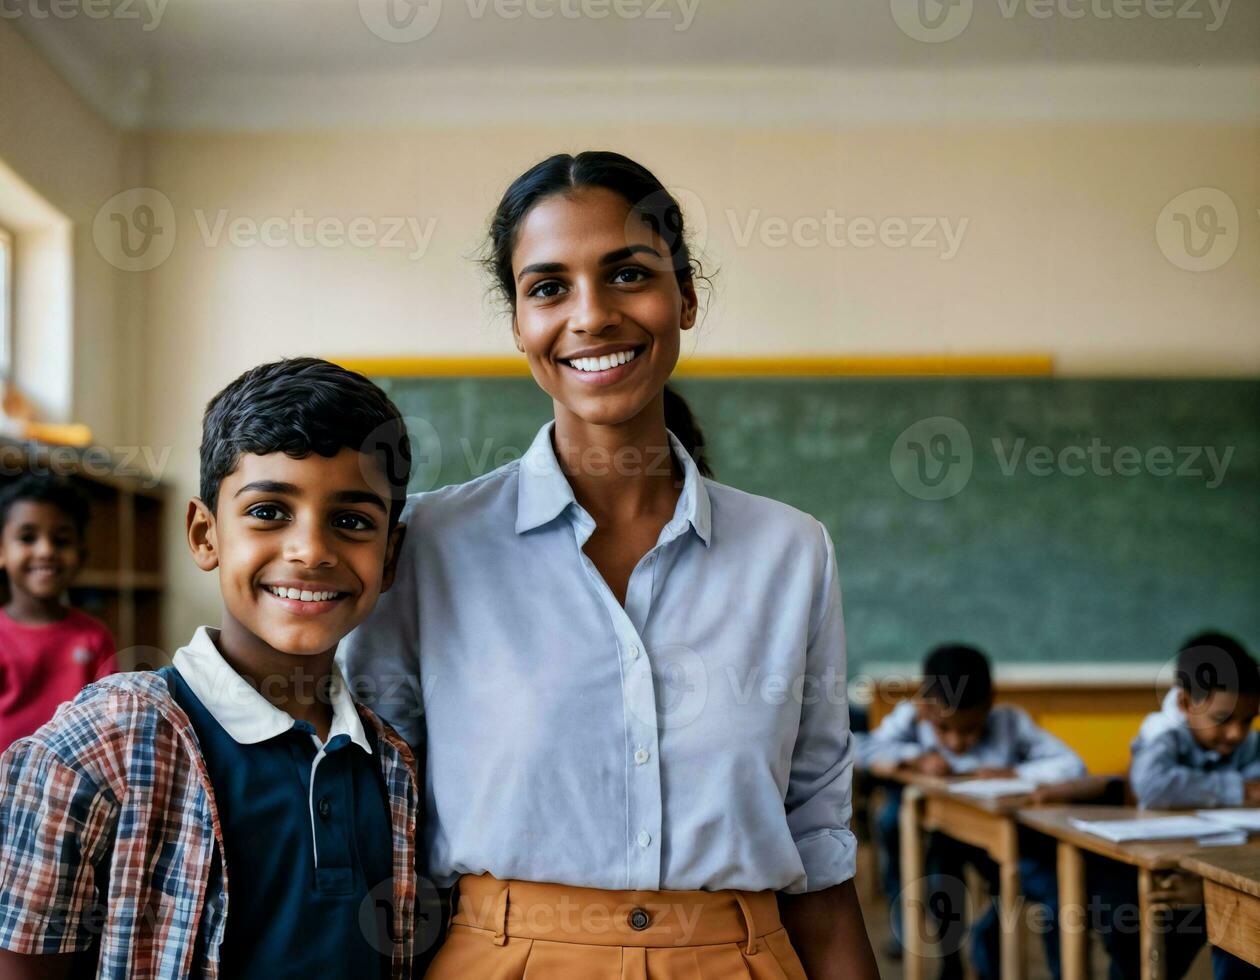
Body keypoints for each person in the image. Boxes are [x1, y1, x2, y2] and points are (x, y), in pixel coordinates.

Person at [341, 150, 878, 979]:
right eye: (548, 287)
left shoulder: (789, 552)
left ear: (686, 296)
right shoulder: (428, 548)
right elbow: (377, 823)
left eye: (628, 274)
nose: (590, 316)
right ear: (519, 323)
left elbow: (817, 835)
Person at [0, 358, 423, 979]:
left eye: (352, 521)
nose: (310, 550)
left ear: (389, 558)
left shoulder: (392, 767)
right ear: (204, 534)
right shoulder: (101, 745)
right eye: (269, 512)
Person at [857, 642, 1086, 980]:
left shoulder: (1010, 723)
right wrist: (913, 757)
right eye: (943, 730)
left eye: (969, 730)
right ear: (926, 705)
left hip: (993, 834)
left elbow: (1072, 765)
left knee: (1017, 878)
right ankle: (941, 951)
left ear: (990, 704)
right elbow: (861, 748)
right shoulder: (911, 716)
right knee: (924, 857)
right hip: (934, 829)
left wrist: (1017, 773)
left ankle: (984, 952)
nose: (956, 743)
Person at [1094, 632, 1260, 980]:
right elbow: (1154, 787)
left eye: (1247, 721)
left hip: (1228, 866)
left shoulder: (1247, 741)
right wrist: (1240, 789)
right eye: (1223, 720)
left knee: (1243, 926)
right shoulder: (1163, 732)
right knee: (1138, 936)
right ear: (1186, 704)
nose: (1236, 734)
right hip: (1164, 871)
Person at [0, 474, 116, 752]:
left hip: (74, 787)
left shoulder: (94, 637)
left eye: (61, 541)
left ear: (81, 555)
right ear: (2, 551)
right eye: (28, 538)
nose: (46, 551)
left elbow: (110, 720)